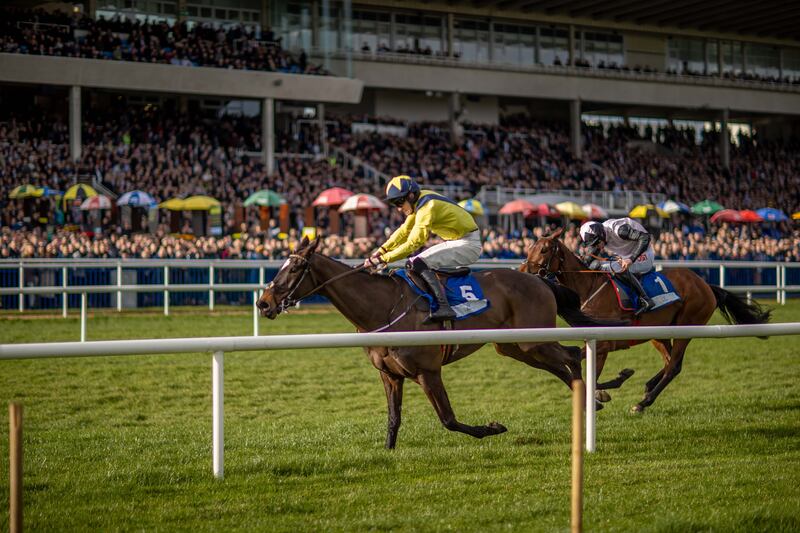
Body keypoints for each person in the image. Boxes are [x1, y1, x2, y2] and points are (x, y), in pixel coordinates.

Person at [362, 175, 482, 322]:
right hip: (457, 241)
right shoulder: (420, 201)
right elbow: (404, 231)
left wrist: (382, 259)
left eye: (399, 202)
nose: (399, 209)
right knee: (414, 262)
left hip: (468, 244)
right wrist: (382, 250)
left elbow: (414, 242)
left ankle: (444, 307)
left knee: (418, 262)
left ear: (411, 196)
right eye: (395, 204)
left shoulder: (427, 206)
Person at [579, 218, 656, 316]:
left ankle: (645, 299)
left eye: (596, 243)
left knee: (612, 266)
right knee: (596, 265)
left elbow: (645, 238)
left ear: (601, 235)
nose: (597, 247)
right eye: (593, 245)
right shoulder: (599, 236)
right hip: (626, 256)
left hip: (644, 254)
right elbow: (589, 261)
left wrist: (631, 259)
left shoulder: (619, 230)